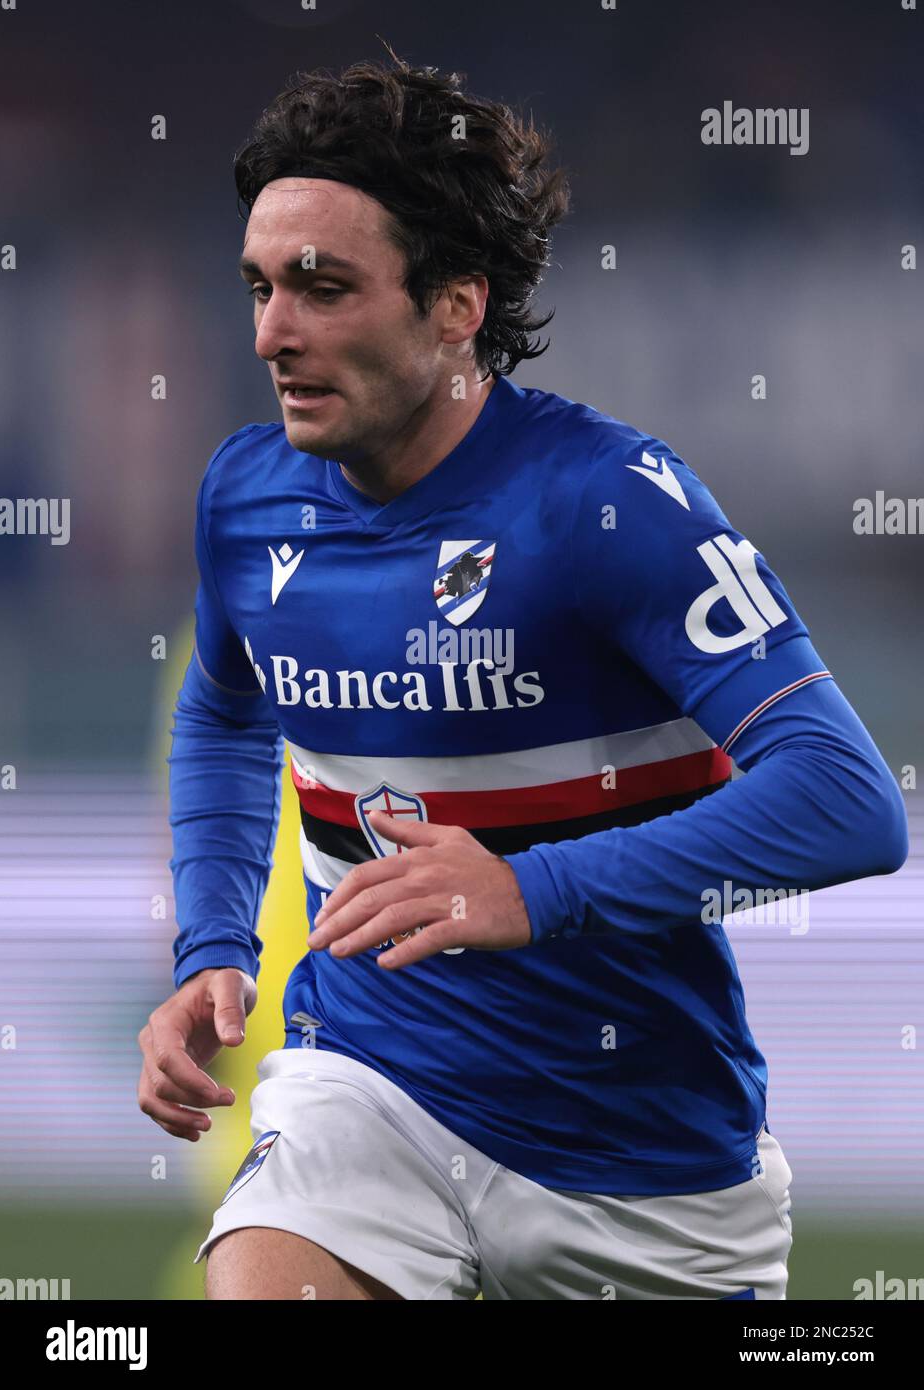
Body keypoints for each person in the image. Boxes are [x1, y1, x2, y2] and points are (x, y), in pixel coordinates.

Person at [137, 50, 908, 1300]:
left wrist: (534, 888)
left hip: (642, 1166)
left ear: (455, 306)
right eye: (261, 287)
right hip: (369, 1091)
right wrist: (212, 946)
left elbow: (847, 799)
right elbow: (226, 707)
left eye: (322, 288)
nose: (274, 333)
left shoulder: (606, 503)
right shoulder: (247, 495)